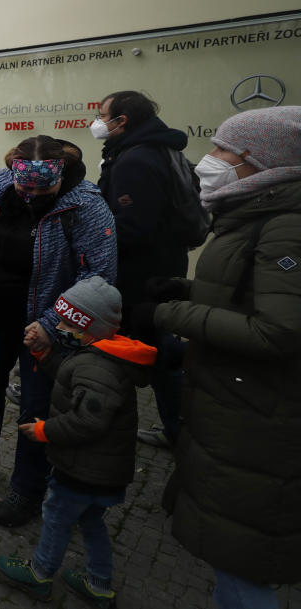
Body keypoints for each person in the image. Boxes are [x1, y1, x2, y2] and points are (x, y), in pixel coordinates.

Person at [130, 106, 301, 609]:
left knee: (243, 569)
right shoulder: (256, 213)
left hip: (260, 419)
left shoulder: (285, 227)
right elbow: (250, 294)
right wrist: (187, 287)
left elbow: (279, 330)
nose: (210, 158)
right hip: (237, 404)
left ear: (260, 160)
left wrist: (168, 312)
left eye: (224, 149)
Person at [0, 135, 117, 528]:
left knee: (36, 406)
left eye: (43, 188)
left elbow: (99, 276)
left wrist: (52, 324)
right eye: (25, 187)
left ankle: (28, 487)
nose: (32, 195)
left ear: (60, 175)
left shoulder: (86, 205)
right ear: (13, 170)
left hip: (46, 325)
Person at [0, 276, 156, 609]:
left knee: (56, 516)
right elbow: (73, 375)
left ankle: (39, 575)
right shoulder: (97, 355)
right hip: (103, 472)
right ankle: (98, 583)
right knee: (91, 521)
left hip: (83, 470)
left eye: (68, 322)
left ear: (88, 327)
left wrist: (44, 431)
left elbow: (87, 421)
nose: (62, 326)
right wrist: (43, 352)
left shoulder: (99, 366)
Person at [92, 90, 189, 449]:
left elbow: (132, 228)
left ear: (122, 121)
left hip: (142, 274)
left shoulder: (136, 160)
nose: (98, 122)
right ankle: (177, 427)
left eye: (103, 115)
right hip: (162, 266)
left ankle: (176, 430)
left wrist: (93, 236)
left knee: (154, 352)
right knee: (159, 348)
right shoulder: (157, 148)